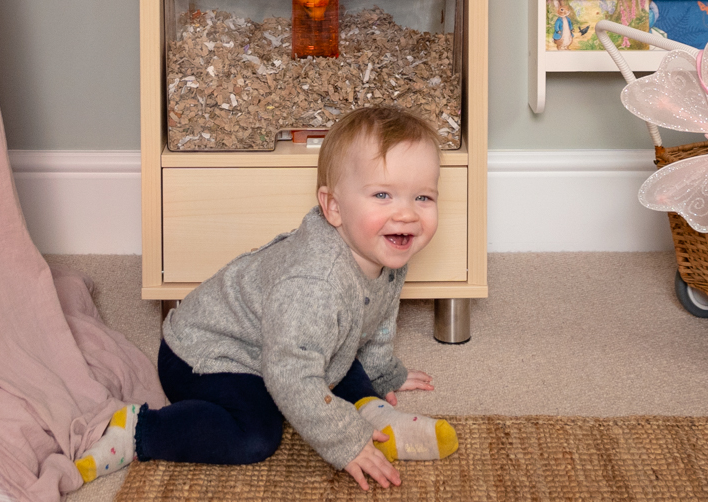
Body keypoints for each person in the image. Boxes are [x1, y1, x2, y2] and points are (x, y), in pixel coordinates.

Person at [74, 107, 458, 491]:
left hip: (281, 343)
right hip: (205, 355)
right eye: (382, 195)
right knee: (256, 433)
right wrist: (344, 443)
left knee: (337, 355)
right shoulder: (314, 283)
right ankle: (141, 430)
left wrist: (384, 374)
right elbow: (288, 373)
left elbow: (375, 321)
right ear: (334, 207)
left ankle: (371, 410)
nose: (406, 215)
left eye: (423, 197)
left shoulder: (384, 249)